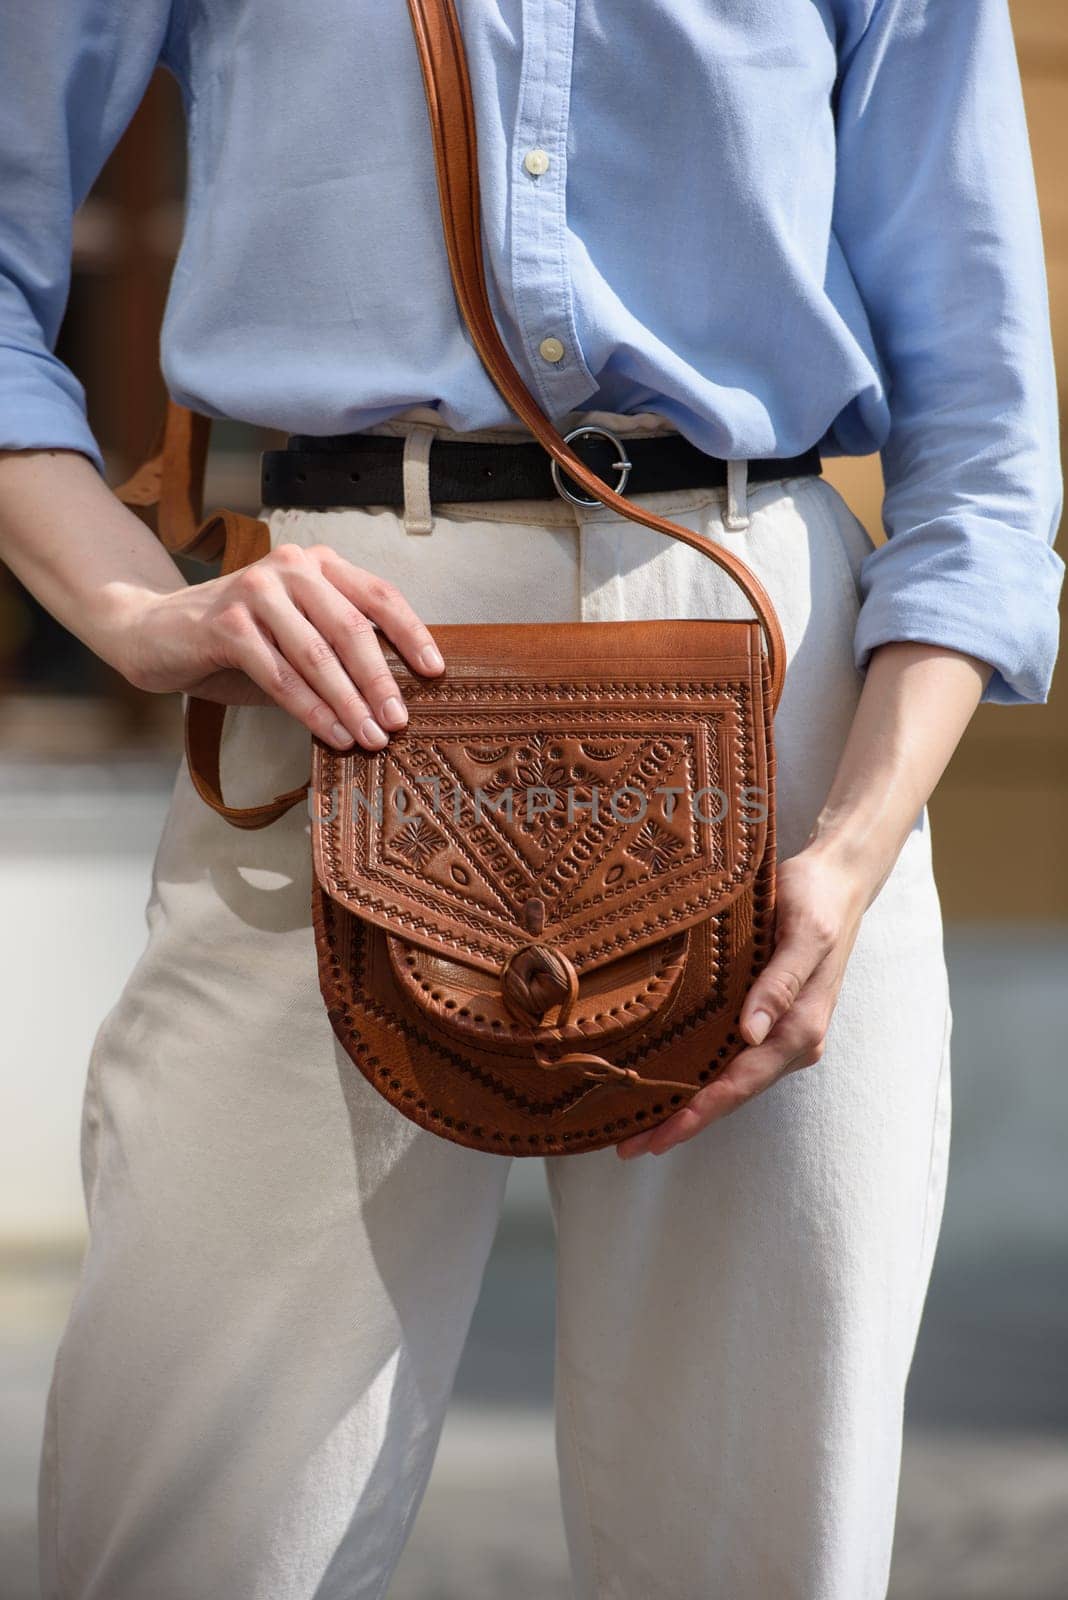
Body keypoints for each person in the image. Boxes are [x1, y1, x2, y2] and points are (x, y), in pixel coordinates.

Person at [0, 2, 1062, 1597]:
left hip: (771, 698)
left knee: (762, 1552)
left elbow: (984, 429)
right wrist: (134, 610)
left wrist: (851, 844)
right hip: (340, 670)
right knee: (196, 1536)